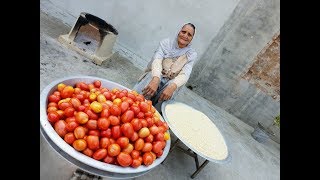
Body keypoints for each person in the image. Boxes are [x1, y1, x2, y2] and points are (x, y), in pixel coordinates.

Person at [133, 23, 197, 113]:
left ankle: (155, 113)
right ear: (179, 32)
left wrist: (173, 86)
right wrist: (156, 79)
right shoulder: (166, 43)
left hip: (169, 84)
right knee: (152, 76)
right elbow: (157, 60)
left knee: (174, 86)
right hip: (157, 76)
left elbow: (185, 74)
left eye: (189, 35)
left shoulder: (191, 54)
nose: (185, 36)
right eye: (183, 32)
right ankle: (136, 104)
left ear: (191, 39)